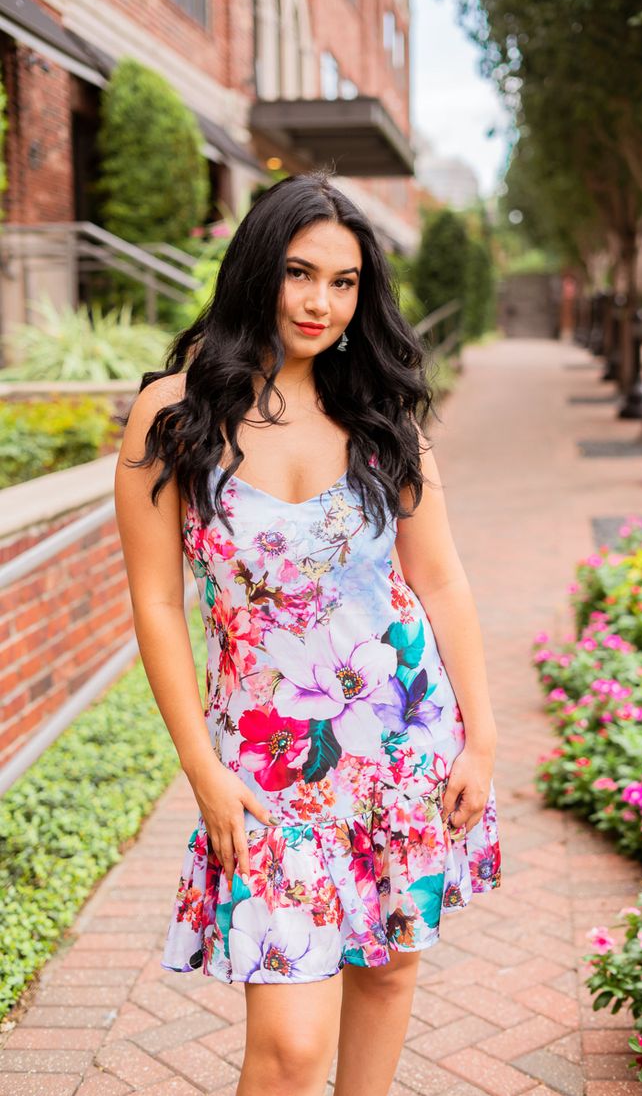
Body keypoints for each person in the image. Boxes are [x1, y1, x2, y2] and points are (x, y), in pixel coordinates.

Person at [114, 171, 501, 1096]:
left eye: (344, 282)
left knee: (388, 967)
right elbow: (158, 605)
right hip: (266, 766)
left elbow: (438, 578)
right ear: (257, 271)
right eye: (299, 273)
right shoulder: (174, 416)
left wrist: (481, 736)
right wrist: (203, 772)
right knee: (289, 1049)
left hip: (401, 741)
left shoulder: (379, 416)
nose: (321, 301)